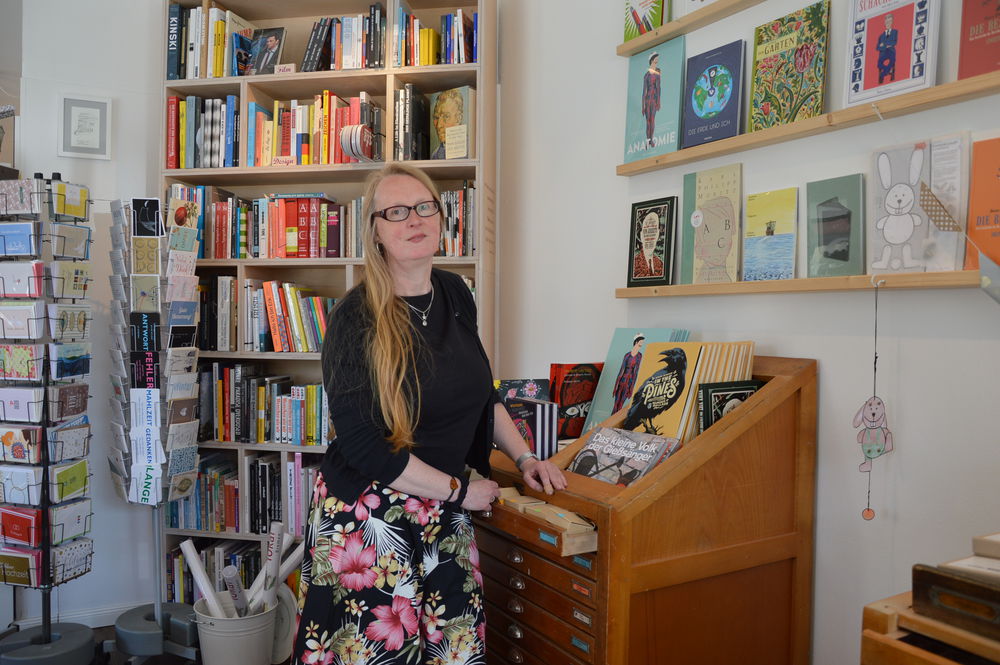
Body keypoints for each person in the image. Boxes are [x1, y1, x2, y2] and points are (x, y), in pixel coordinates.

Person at [292, 163, 567, 664]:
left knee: (454, 651)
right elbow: (364, 446)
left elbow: (482, 395)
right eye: (396, 212)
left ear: (442, 218)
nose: (414, 219)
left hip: (444, 508)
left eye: (424, 207)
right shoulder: (354, 318)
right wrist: (459, 491)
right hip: (370, 520)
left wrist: (525, 458)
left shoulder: (456, 292)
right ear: (375, 230)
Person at [612, 333, 644, 414]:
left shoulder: (639, 356)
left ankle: (615, 420)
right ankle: (611, 419)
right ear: (636, 342)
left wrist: (631, 389)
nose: (642, 343)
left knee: (620, 405)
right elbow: (621, 371)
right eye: (641, 341)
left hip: (629, 384)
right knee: (615, 405)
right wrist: (615, 387)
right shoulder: (627, 355)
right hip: (621, 381)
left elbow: (635, 373)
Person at [430, 89, 464, 159]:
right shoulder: (435, 156)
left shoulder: (470, 149)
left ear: (458, 118)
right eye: (436, 117)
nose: (439, 125)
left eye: (446, 116)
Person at [641, 52, 661, 149]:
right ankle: (648, 140)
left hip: (653, 100)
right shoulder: (646, 75)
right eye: (656, 57)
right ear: (652, 59)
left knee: (652, 120)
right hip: (647, 100)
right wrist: (643, 106)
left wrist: (658, 102)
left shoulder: (657, 74)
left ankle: (651, 140)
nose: (657, 59)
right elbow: (644, 91)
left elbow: (659, 88)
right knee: (647, 122)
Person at [876, 13, 898, 85]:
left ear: (892, 22)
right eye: (887, 22)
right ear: (885, 23)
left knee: (892, 60)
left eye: (890, 21)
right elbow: (878, 47)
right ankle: (889, 70)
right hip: (883, 53)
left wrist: (884, 44)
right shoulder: (881, 36)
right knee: (879, 64)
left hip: (891, 52)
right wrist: (887, 45)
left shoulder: (895, 32)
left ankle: (882, 75)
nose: (888, 23)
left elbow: (894, 42)